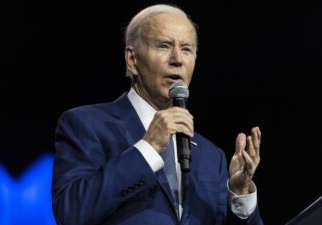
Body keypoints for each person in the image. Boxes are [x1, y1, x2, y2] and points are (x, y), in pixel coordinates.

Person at [52, 4, 263, 225]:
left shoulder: (212, 157)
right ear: (132, 60)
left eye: (187, 49)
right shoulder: (86, 125)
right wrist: (147, 148)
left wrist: (240, 195)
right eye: (164, 46)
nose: (177, 59)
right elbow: (70, 212)